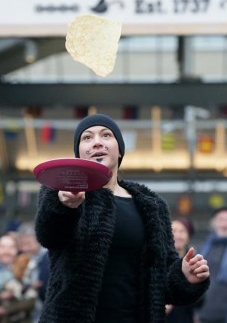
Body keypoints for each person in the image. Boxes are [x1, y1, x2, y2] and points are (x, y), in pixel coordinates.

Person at [35, 113, 210, 322]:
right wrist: (64, 207)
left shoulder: (151, 206)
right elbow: (50, 236)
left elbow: (160, 283)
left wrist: (184, 275)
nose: (97, 142)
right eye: (87, 138)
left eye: (106, 135)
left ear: (120, 151)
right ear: (79, 153)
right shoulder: (62, 191)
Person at [166, 217, 198, 323]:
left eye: (182, 231)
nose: (178, 236)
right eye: (174, 231)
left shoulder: (195, 261)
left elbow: (201, 299)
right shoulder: (157, 259)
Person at [17, 222, 49, 322]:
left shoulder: (47, 259)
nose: (25, 248)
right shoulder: (26, 259)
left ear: (38, 240)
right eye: (22, 244)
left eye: (28, 244)